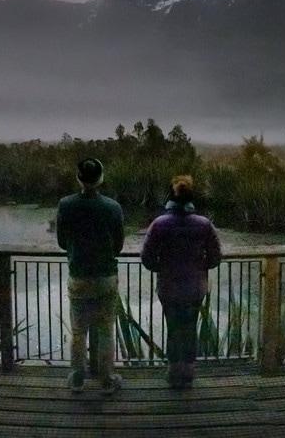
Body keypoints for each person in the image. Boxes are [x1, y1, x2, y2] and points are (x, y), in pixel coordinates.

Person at [140, 175, 222, 388]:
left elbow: (147, 257)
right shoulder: (204, 224)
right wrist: (200, 267)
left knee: (174, 328)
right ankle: (188, 372)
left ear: (171, 196)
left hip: (169, 287)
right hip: (195, 287)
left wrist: (162, 268)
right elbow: (215, 257)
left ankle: (174, 371)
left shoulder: (159, 224)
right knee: (190, 328)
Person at [55, 157, 125, 394]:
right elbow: (119, 245)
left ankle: (77, 379)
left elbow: (62, 242)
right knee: (106, 329)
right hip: (106, 276)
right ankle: (107, 380)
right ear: (101, 178)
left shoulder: (66, 205)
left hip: (79, 276)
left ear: (79, 178)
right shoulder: (113, 207)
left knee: (78, 331)